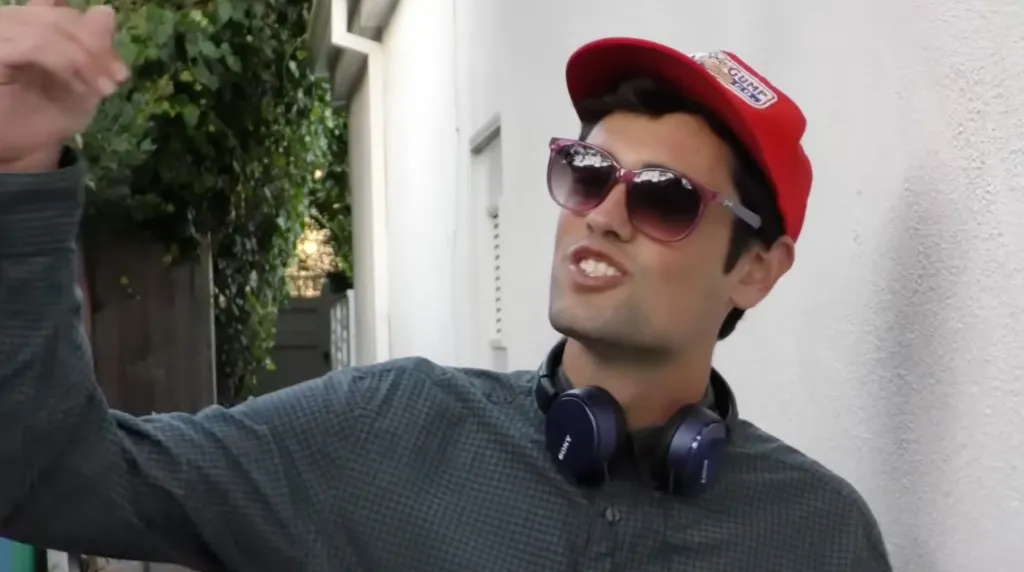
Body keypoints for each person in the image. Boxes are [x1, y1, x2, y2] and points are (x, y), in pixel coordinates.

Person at [0, 2, 893, 571]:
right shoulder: (384, 433)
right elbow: (61, 477)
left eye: (662, 198)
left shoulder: (819, 535)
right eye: (587, 173)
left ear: (755, 269)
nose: (602, 215)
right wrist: (19, 172)